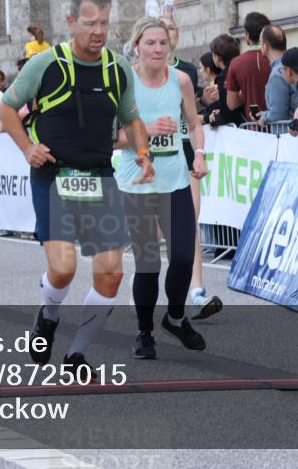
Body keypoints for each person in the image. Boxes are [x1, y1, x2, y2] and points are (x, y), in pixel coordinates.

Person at [0, 0, 154, 379]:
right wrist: (27, 147)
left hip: (100, 176)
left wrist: (143, 153)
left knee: (111, 272)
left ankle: (76, 355)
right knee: (63, 268)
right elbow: (5, 107)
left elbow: (131, 118)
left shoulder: (117, 68)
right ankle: (48, 315)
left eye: (104, 23)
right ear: (71, 22)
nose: (98, 31)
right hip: (54, 175)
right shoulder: (45, 64)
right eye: (89, 23)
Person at [116, 18, 210, 358]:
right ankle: (145, 333)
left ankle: (175, 317)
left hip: (175, 179)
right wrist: (147, 131)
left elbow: (194, 124)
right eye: (150, 43)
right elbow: (113, 139)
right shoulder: (124, 83)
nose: (158, 49)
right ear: (136, 46)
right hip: (138, 182)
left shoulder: (180, 80)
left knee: (183, 257)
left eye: (163, 43)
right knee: (148, 263)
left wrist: (198, 154)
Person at [161, 16, 220, 317]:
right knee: (155, 228)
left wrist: (203, 102)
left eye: (170, 28)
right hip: (154, 154)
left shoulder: (186, 71)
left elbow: (191, 113)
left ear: (177, 35)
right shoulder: (139, 73)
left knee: (189, 220)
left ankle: (196, 290)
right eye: (160, 28)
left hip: (184, 150)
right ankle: (143, 283)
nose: (166, 34)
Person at [225, 12, 271, 122]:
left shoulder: (236, 63)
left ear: (247, 34)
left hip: (254, 126)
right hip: (282, 126)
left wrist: (246, 90)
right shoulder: (278, 57)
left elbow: (231, 103)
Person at [258, 25, 298, 124]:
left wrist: (264, 117)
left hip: (286, 131)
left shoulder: (277, 73)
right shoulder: (295, 65)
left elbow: (278, 114)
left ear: (265, 46)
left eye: (260, 44)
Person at [205, 34, 244, 127]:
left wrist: (214, 119)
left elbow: (227, 113)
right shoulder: (241, 69)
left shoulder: (223, 76)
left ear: (218, 57)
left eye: (213, 54)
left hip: (239, 126)